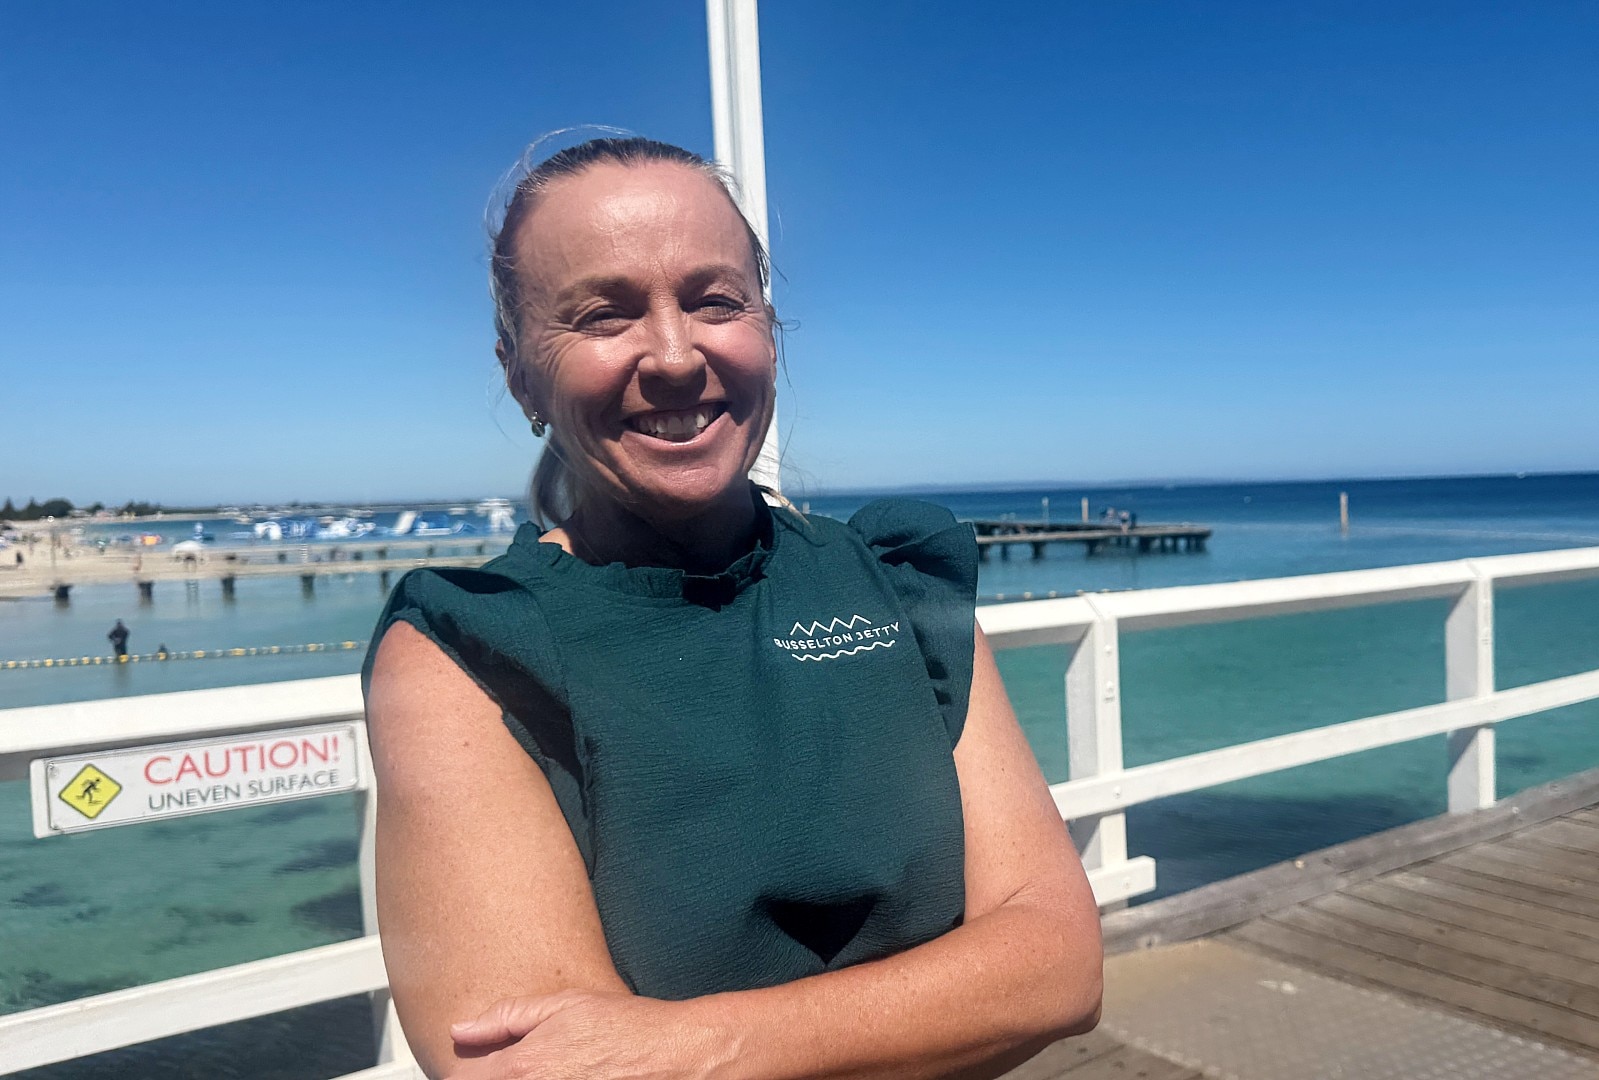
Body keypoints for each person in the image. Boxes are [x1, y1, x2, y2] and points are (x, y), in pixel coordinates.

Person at [361, 136, 1101, 1080]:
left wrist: (697, 1046)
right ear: (519, 373)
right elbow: (527, 1065)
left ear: (769, 328)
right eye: (603, 315)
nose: (674, 355)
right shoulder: (471, 641)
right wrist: (942, 1002)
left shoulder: (892, 580)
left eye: (715, 301)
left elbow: (1061, 962)